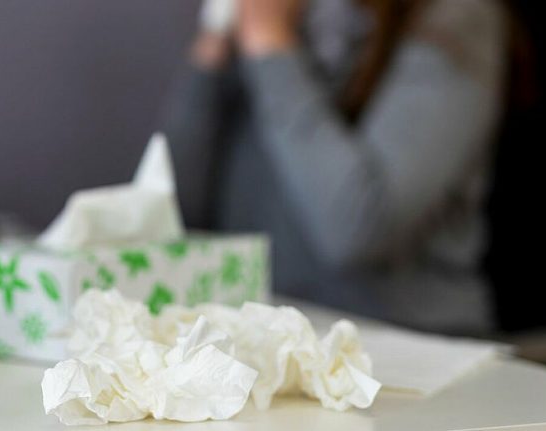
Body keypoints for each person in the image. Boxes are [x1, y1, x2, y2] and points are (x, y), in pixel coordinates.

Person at [162, 0, 509, 335]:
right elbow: (169, 216)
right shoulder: (276, 25)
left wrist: (270, 45)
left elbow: (358, 230)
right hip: (266, 339)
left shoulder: (457, 18)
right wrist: (212, 49)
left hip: (405, 347)